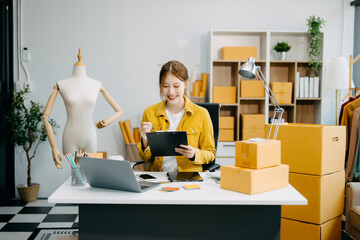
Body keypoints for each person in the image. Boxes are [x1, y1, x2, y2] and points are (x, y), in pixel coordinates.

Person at [43, 49, 123, 169]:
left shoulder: (96, 85)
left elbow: (119, 111)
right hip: (70, 136)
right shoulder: (61, 84)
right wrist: (54, 147)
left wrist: (106, 122)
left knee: (87, 175)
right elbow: (45, 117)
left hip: (89, 135)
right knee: (75, 176)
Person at [138, 60, 216, 172]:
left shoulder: (201, 114)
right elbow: (146, 158)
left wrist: (194, 154)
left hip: (188, 178)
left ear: (186, 84)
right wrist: (145, 140)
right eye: (165, 86)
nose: (171, 92)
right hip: (157, 177)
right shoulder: (149, 112)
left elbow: (210, 153)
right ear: (160, 85)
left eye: (176, 86)